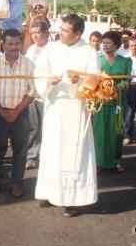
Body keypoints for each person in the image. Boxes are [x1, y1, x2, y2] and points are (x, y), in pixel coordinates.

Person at [33, 13, 101, 217]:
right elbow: (39, 72)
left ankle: (73, 200)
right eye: (60, 29)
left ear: (78, 33)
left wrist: (79, 81)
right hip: (55, 106)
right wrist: (48, 81)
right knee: (52, 151)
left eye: (64, 30)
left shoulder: (89, 52)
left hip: (76, 109)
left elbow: (96, 81)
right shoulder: (51, 48)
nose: (59, 33)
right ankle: (49, 192)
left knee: (74, 154)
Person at [0, 29, 36, 199]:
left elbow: (33, 91)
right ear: (3, 44)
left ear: (20, 43)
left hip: (21, 114)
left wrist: (16, 112)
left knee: (20, 151)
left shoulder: (29, 65)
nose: (13, 47)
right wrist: (2, 112)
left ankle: (17, 183)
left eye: (17, 43)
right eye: (10, 43)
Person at [92, 31, 132, 172]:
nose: (105, 45)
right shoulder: (97, 60)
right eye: (104, 43)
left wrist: (122, 86)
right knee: (99, 131)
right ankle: (98, 162)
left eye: (108, 43)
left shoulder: (126, 61)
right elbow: (93, 79)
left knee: (116, 132)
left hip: (117, 101)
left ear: (116, 44)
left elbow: (128, 80)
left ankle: (116, 160)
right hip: (100, 101)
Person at [25, 20, 50, 170]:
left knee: (47, 127)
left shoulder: (53, 48)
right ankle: (31, 157)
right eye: (32, 33)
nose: (35, 36)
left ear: (45, 32)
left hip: (48, 94)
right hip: (32, 94)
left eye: (37, 33)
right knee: (33, 127)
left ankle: (47, 157)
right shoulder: (31, 49)